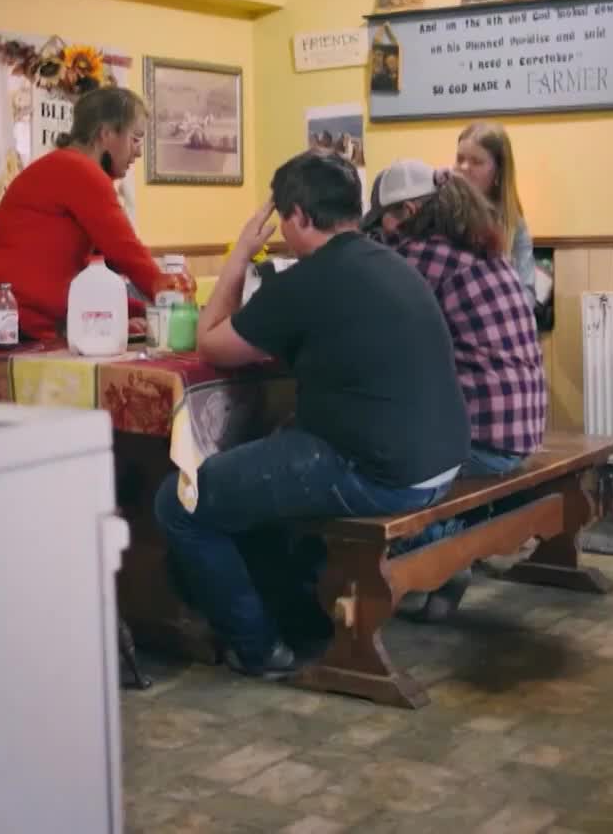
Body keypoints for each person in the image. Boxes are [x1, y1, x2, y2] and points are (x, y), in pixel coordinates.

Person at [155, 152, 471, 678]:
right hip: (442, 460)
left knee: (179, 501)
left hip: (384, 474)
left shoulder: (307, 280)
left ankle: (258, 648)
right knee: (276, 447)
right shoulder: (389, 260)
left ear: (299, 216)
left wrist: (239, 256)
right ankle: (296, 610)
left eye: (281, 218)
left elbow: (212, 343)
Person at [366, 162, 550, 621]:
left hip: (483, 441)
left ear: (407, 211)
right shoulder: (479, 249)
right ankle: (444, 555)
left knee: (363, 463)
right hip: (522, 430)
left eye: (382, 221)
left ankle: (439, 550)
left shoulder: (420, 257)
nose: (380, 233)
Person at [0, 86, 190, 339]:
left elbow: (92, 275)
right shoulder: (80, 171)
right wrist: (172, 304)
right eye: (136, 138)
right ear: (106, 134)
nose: (139, 152)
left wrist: (134, 312)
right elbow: (126, 251)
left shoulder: (66, 166)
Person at [454, 121, 537, 305]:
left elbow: (527, 291)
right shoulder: (443, 214)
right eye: (460, 159)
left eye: (476, 162)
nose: (464, 168)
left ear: (498, 172)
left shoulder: (514, 224)